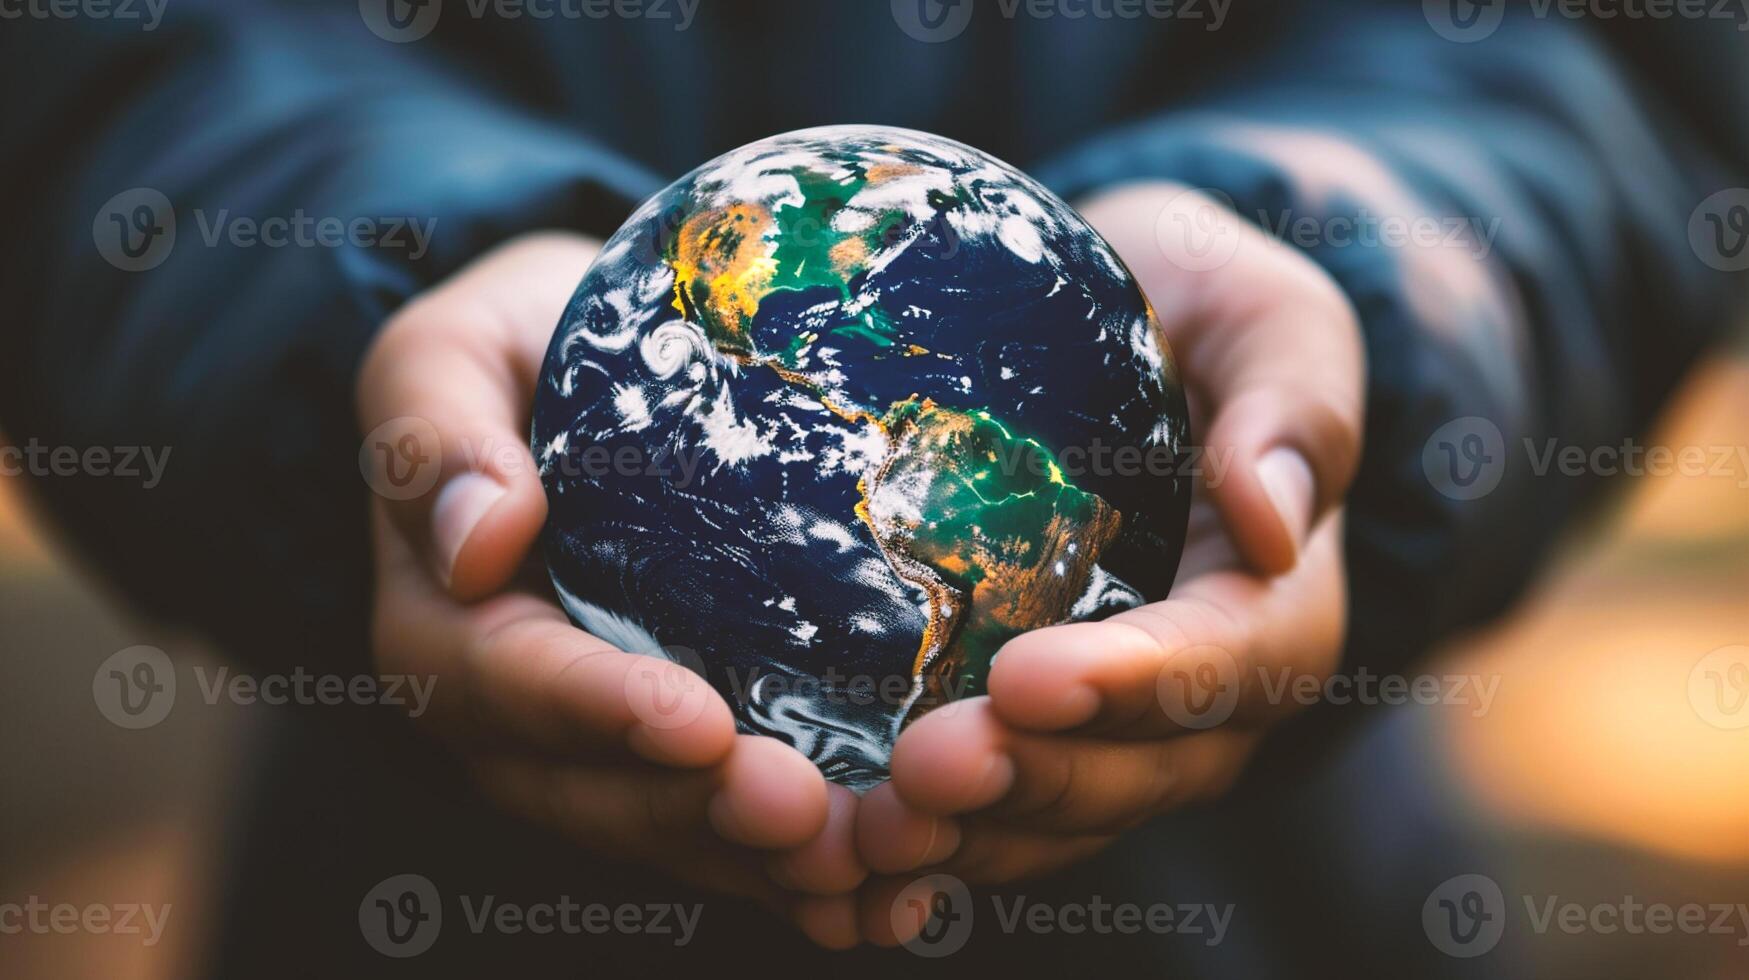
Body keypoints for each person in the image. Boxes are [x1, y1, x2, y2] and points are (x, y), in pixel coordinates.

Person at [1, 1, 1741, 973]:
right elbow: (94, 74)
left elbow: (1609, 61)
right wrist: (366, 305)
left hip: (1263, 904)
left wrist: (1360, 278)